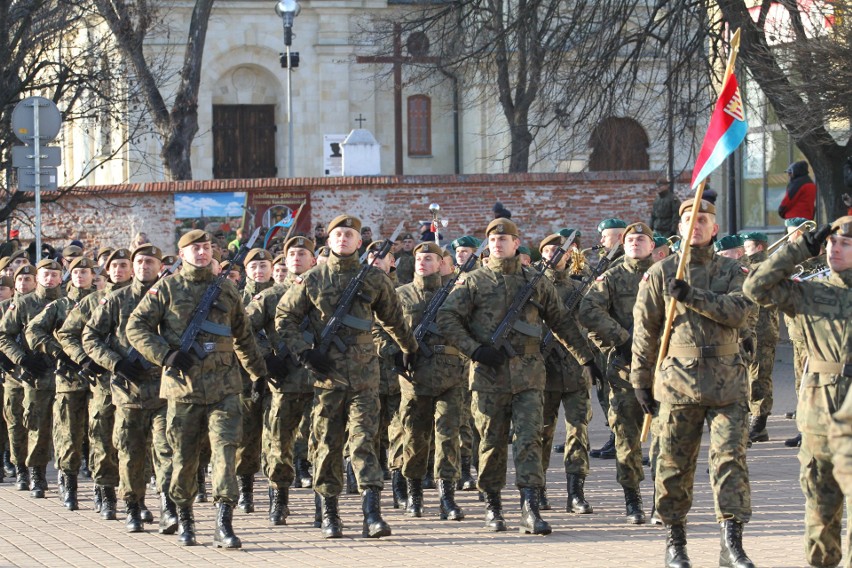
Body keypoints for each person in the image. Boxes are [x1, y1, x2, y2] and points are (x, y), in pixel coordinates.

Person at [438, 218, 601, 535]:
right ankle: (493, 506)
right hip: (488, 377)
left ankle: (530, 507)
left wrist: (587, 357)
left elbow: (561, 322)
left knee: (529, 440)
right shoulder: (475, 282)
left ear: (516, 244)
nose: (498, 243)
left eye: (505, 238)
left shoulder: (536, 281)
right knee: (491, 444)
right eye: (493, 239)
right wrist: (474, 350)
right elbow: (447, 318)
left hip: (529, 376)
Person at [631, 199, 755, 568]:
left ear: (714, 229)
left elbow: (738, 311)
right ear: (680, 227)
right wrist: (640, 380)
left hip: (727, 383)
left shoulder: (735, 270)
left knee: (731, 461)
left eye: (703, 220)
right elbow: (645, 332)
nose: (695, 226)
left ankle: (731, 543)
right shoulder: (660, 273)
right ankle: (675, 542)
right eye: (689, 219)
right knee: (672, 465)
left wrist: (691, 295)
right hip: (677, 383)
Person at [275, 215, 415, 540]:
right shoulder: (312, 278)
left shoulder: (374, 279)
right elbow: (285, 317)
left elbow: (394, 319)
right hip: (327, 376)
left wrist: (410, 349)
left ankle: (372, 514)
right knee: (326, 443)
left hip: (366, 374)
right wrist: (305, 352)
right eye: (338, 234)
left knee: (365, 440)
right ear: (329, 240)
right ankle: (330, 513)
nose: (343, 239)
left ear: (359, 241)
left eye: (349, 234)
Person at [126, 229, 268, 549]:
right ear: (182, 254)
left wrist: (259, 374)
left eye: (206, 248)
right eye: (195, 248)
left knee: (225, 453)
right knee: (184, 457)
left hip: (225, 388)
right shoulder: (167, 288)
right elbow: (136, 327)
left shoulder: (227, 290)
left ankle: (223, 523)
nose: (202, 253)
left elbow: (244, 337)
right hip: (183, 389)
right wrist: (165, 354)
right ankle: (186, 518)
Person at [745, 219, 850, 568]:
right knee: (821, 505)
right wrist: (801, 247)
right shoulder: (809, 291)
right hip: (820, 412)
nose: (835, 249)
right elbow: (756, 286)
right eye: (832, 243)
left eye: (845, 245)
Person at [82, 244, 177, 535]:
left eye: (150, 261)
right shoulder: (116, 299)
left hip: (163, 390)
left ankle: (168, 507)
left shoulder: (172, 299)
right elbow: (90, 337)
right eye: (139, 261)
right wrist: (115, 363)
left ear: (160, 267)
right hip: (128, 391)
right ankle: (133, 507)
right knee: (131, 453)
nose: (143, 266)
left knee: (167, 450)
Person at [580, 222, 660, 525]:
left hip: (664, 368)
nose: (636, 244)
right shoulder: (611, 277)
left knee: (667, 437)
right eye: (630, 240)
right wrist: (622, 339)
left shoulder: (665, 273)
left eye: (642, 239)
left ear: (652, 246)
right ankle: (632, 499)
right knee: (627, 436)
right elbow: (588, 311)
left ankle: (661, 499)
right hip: (626, 370)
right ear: (623, 246)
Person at [387, 242, 466, 521]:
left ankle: (447, 498)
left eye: (429, 258)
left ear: (440, 263)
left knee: (448, 437)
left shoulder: (455, 295)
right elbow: (379, 328)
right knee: (415, 437)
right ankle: (415, 495)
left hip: (450, 375)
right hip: (414, 377)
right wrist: (394, 352)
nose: (422, 262)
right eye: (419, 258)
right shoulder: (400, 295)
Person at [58, 248, 134, 522]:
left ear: (132, 269)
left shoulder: (145, 299)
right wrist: (83, 359)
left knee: (134, 441)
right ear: (106, 270)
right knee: (101, 437)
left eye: (124, 265)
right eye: (114, 265)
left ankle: (134, 497)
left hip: (137, 382)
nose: (118, 270)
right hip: (103, 381)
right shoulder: (92, 302)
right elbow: (67, 333)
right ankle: (106, 493)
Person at [245, 235, 315, 525]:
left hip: (322, 380)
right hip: (284, 381)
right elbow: (242, 329)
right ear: (284, 262)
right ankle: (279, 501)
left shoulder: (328, 293)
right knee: (279, 443)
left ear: (313, 259)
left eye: (303, 254)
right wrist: (266, 358)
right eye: (292, 255)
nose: (297, 259)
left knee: (323, 442)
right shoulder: (271, 296)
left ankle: (326, 506)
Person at [25, 256, 97, 511]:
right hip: (69, 379)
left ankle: (103, 488)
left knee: (100, 435)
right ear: (70, 275)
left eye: (85, 271)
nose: (80, 276)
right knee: (68, 435)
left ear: (93, 275)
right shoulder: (59, 305)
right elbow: (34, 330)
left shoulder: (102, 301)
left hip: (99, 379)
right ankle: (69, 483)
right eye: (76, 271)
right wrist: (57, 351)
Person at [539, 232, 594, 515]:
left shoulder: (579, 287)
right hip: (543, 370)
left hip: (574, 368)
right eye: (548, 251)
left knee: (578, 431)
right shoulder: (533, 287)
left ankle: (576, 492)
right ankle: (538, 489)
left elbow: (590, 322)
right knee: (542, 432)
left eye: (558, 251)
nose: (553, 255)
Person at [0, 259, 64, 499]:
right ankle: (30, 471)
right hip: (30, 376)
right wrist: (22, 360)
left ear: (61, 277)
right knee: (30, 425)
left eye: (54, 274)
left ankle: (65, 474)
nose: (50, 279)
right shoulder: (24, 304)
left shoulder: (68, 303)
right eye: (45, 274)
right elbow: (4, 337)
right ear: (40, 277)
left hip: (65, 375)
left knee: (64, 428)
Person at [236, 248, 275, 514]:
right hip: (244, 377)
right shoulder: (235, 299)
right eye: (254, 267)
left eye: (264, 266)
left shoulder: (281, 295)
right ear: (246, 271)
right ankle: (245, 489)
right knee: (246, 435)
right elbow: (235, 336)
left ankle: (276, 493)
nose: (259, 271)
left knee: (274, 435)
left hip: (278, 374)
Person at [589, 218, 628, 460]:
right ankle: (615, 435)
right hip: (605, 339)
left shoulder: (622, 264)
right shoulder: (608, 262)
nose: (601, 241)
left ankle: (621, 438)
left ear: (619, 238)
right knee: (606, 390)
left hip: (619, 339)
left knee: (618, 392)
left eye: (606, 236)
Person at [740, 232, 780, 445]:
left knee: (760, 377)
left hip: (763, 330)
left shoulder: (767, 266)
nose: (744, 251)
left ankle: (760, 422)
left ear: (758, 247)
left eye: (747, 247)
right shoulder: (746, 266)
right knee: (750, 376)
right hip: (751, 329)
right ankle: (755, 420)